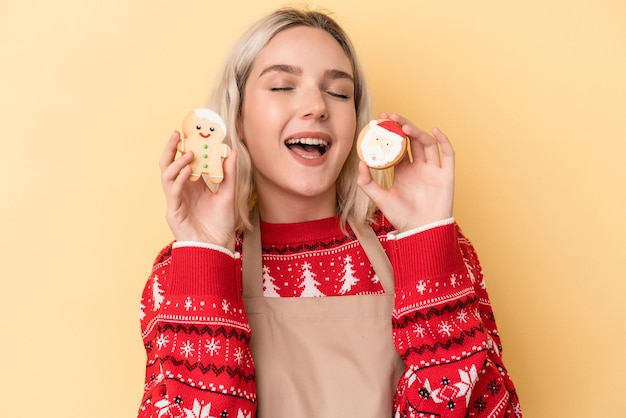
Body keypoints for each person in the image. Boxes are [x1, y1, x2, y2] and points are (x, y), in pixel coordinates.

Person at [138, 6, 522, 418]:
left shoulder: (429, 246)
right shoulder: (181, 269)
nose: (317, 106)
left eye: (339, 93)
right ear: (238, 118)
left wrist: (426, 241)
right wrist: (206, 253)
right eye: (283, 86)